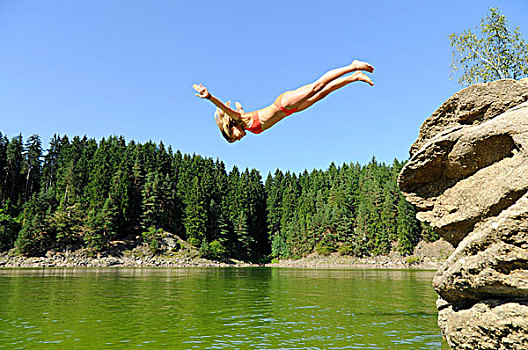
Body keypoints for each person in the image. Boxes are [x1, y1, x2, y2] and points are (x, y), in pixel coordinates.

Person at [193, 60, 374, 143]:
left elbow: (222, 107)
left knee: (317, 86)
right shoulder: (244, 122)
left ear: (232, 128)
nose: (239, 138)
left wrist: (209, 97)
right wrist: (240, 106)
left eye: (235, 137)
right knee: (323, 93)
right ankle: (355, 77)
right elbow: (240, 109)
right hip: (290, 111)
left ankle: (353, 66)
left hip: (283, 104)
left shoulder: (240, 119)